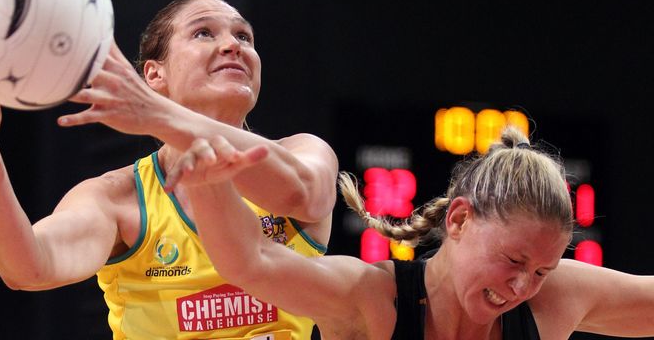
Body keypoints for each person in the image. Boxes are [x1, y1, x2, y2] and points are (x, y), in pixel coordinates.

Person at [0, 0, 339, 339]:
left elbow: (299, 193)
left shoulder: (305, 152)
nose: (233, 45)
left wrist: (156, 115)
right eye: (204, 32)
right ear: (153, 74)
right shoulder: (117, 197)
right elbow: (25, 267)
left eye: (244, 36)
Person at [167, 126, 654, 339]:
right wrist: (205, 176)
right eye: (514, 262)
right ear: (460, 219)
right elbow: (250, 262)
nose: (523, 287)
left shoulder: (551, 302)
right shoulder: (371, 301)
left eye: (544, 270)